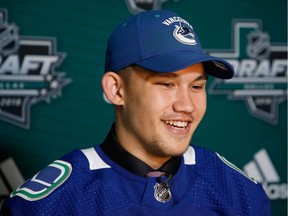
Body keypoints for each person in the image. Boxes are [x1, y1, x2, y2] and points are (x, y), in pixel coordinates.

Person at [0, 9, 270, 216]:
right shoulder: (53, 203)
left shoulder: (238, 191)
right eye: (167, 84)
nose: (187, 105)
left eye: (197, 86)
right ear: (116, 90)